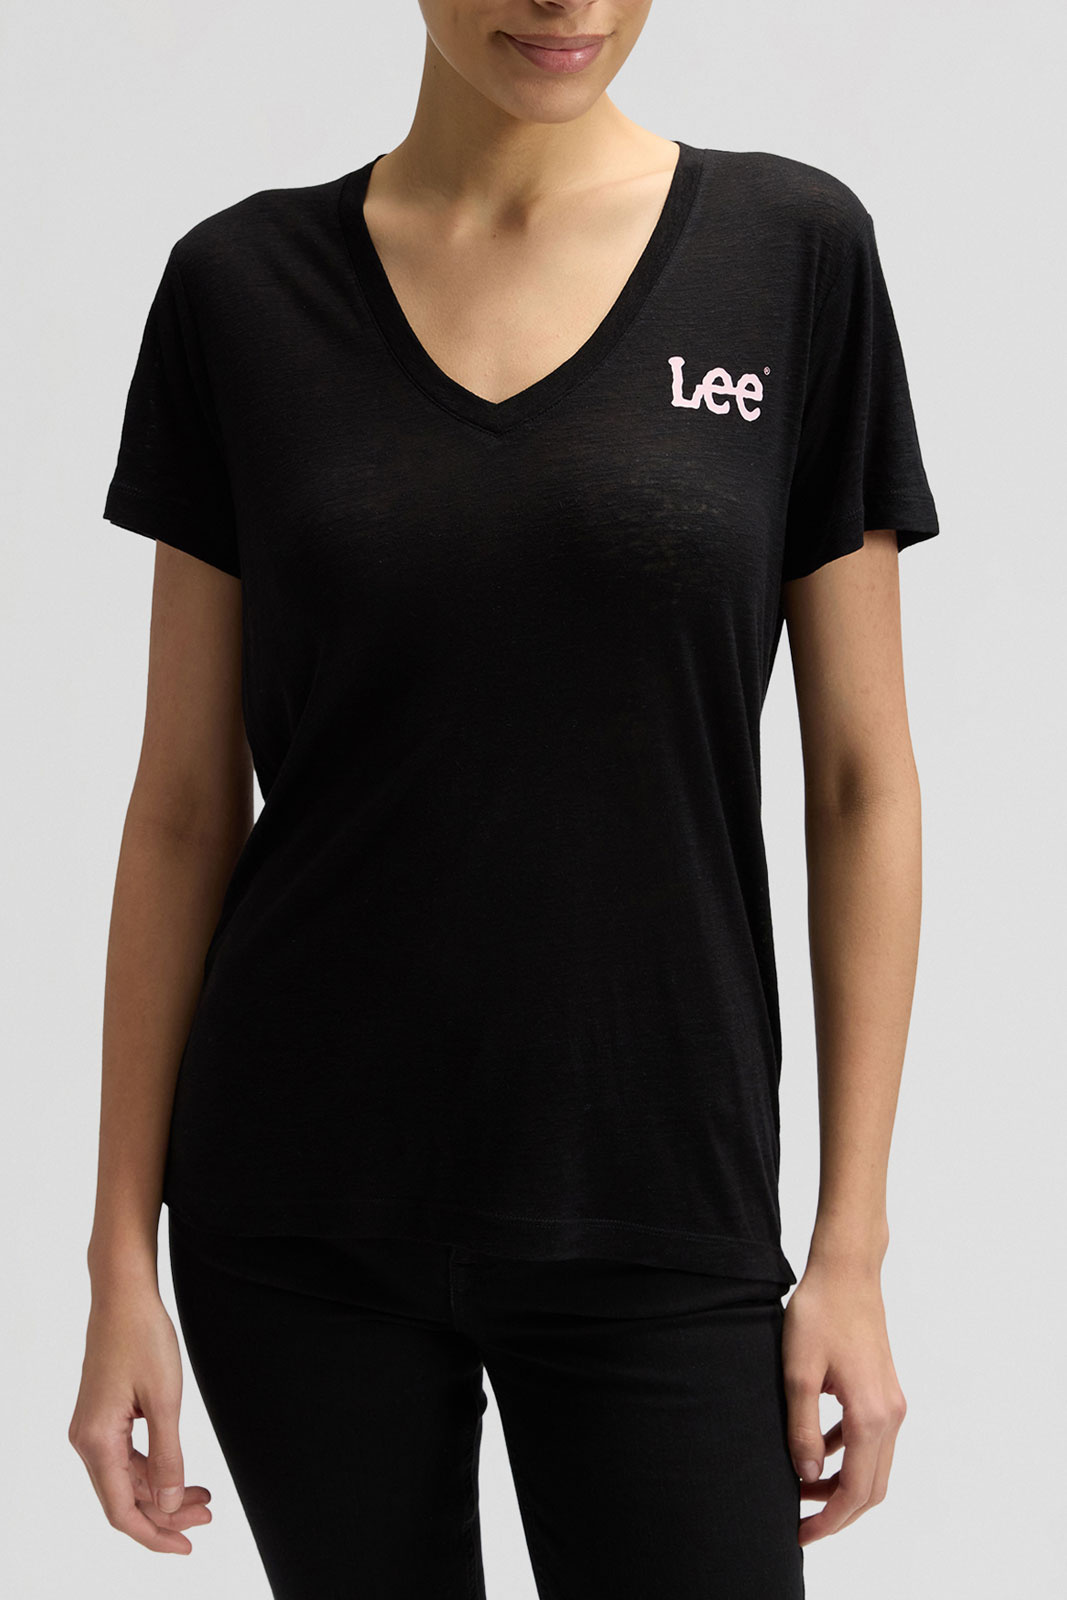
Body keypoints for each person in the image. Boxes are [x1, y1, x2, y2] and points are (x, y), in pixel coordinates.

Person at [68, 3, 940, 1596]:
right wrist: (119, 1253)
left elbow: (862, 782)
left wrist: (852, 1247)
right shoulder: (238, 290)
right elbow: (184, 803)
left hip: (659, 1193)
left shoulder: (791, 254)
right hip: (298, 1208)